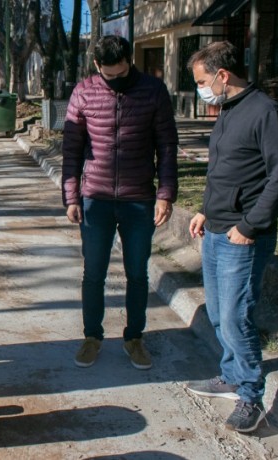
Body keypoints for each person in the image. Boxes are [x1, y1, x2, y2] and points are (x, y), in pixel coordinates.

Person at [184, 41, 278, 433]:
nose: (201, 89)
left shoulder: (266, 113)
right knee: (217, 314)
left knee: (235, 317)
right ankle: (231, 374)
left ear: (222, 75)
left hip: (243, 237)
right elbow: (226, 172)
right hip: (216, 230)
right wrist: (204, 209)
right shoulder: (228, 112)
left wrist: (250, 226)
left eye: (201, 81)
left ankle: (250, 395)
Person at [61, 35, 178, 371]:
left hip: (138, 200)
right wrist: (71, 195)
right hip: (95, 200)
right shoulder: (84, 91)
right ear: (97, 65)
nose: (114, 80)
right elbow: (71, 148)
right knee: (93, 273)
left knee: (137, 273)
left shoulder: (153, 90)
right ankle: (92, 336)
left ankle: (134, 337)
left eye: (121, 72)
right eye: (107, 74)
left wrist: (165, 193)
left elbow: (167, 145)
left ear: (130, 60)